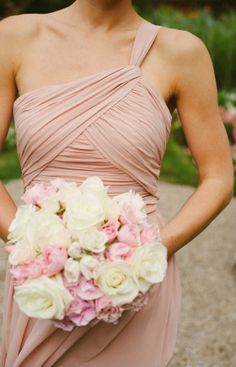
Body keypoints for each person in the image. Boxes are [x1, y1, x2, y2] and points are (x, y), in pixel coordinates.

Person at [0, 1, 234, 366]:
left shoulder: (180, 52)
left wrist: (148, 254)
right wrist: (37, 251)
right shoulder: (14, 37)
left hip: (130, 280)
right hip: (44, 284)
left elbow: (219, 177)